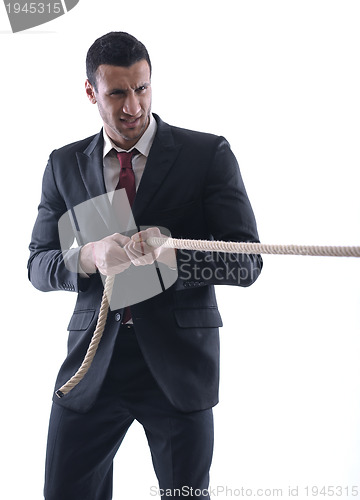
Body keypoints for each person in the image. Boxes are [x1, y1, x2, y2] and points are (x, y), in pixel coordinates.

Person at [28, 31, 263, 500]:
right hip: (93, 365)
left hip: (178, 367)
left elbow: (248, 262)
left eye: (142, 88)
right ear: (91, 92)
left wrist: (175, 254)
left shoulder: (207, 154)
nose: (133, 106)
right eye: (117, 93)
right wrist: (90, 257)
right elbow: (37, 265)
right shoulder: (64, 165)